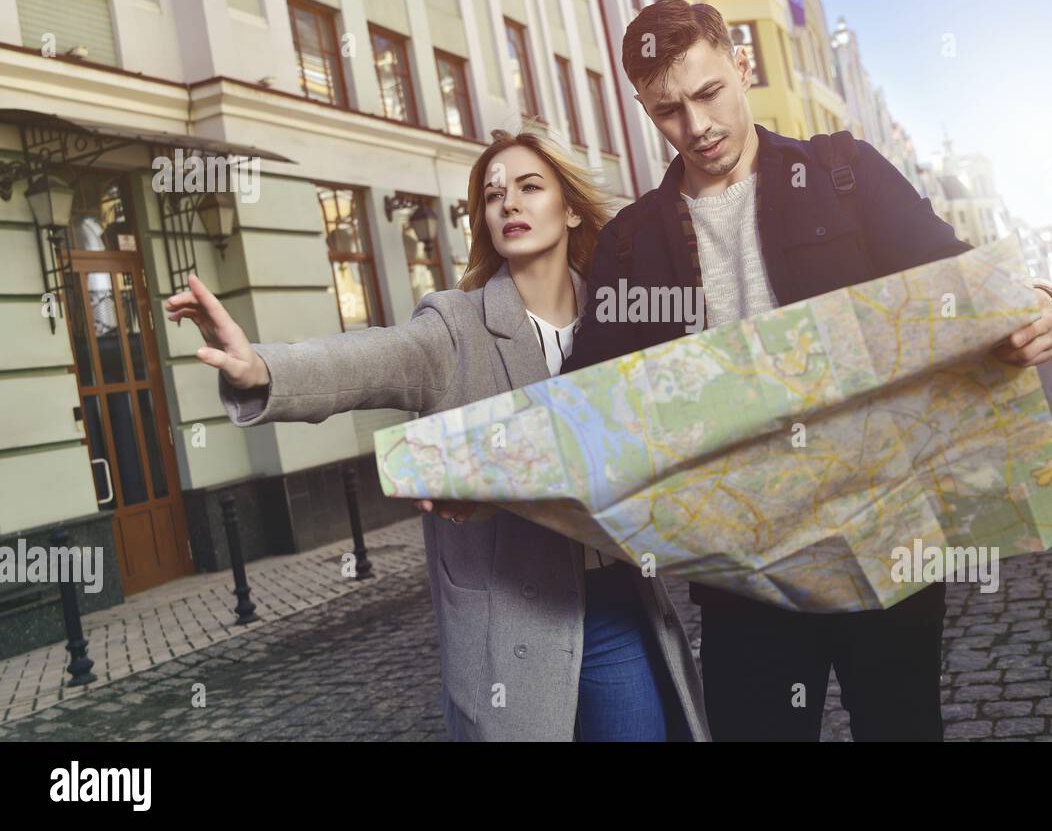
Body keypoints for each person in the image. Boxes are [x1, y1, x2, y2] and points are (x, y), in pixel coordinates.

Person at [561, 0, 1052, 741]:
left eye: (709, 94)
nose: (697, 125)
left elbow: (958, 283)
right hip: (743, 567)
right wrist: (467, 473)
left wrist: (1048, 305)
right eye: (669, 109)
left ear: (742, 66)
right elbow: (583, 397)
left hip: (883, 541)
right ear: (643, 105)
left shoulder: (846, 173)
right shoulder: (629, 242)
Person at [163, 128, 709, 742]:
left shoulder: (617, 316)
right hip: (514, 622)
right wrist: (262, 366)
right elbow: (370, 359)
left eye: (530, 187)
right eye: (493, 193)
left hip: (616, 607)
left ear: (572, 207)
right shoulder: (456, 325)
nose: (509, 203)